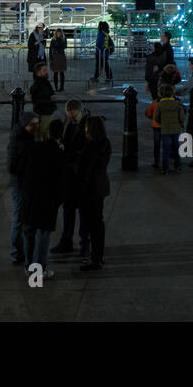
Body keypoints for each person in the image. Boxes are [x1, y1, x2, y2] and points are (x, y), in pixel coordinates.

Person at [21, 118, 66, 278]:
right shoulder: (59, 154)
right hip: (47, 200)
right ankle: (38, 271)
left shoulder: (34, 148)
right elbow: (62, 182)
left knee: (29, 232)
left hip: (30, 197)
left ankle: (29, 267)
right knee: (43, 235)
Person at [53, 101, 90, 256]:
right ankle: (66, 241)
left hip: (81, 176)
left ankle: (84, 245)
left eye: (71, 113)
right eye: (68, 113)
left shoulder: (87, 126)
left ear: (77, 111)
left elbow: (86, 152)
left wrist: (67, 154)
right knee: (68, 210)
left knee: (83, 212)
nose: (69, 116)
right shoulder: (70, 124)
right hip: (69, 175)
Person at [77, 115, 111, 271]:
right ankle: (97, 256)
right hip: (100, 186)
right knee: (97, 222)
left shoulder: (91, 146)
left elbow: (85, 168)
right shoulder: (104, 143)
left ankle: (96, 258)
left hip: (91, 189)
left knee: (94, 223)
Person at [7, 112, 41, 265]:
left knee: (23, 218)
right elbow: (11, 167)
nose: (36, 127)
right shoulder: (18, 142)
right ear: (25, 125)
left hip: (25, 184)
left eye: (37, 123)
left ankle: (20, 251)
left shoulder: (27, 138)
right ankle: (16, 252)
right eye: (33, 124)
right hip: (20, 184)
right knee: (20, 218)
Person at [153, 83, 187, 173]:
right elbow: (182, 118)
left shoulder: (159, 105)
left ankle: (165, 168)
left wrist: (162, 122)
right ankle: (178, 167)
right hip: (176, 130)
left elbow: (156, 117)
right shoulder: (177, 104)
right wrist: (180, 123)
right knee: (176, 148)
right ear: (172, 94)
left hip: (165, 130)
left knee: (166, 149)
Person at [48, 27, 68, 92]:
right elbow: (50, 49)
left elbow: (64, 46)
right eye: (57, 33)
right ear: (56, 33)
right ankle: (56, 87)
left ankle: (62, 87)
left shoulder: (63, 39)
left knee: (62, 72)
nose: (58, 34)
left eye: (60, 33)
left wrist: (60, 40)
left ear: (61, 33)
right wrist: (50, 58)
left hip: (61, 56)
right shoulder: (53, 40)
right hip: (55, 56)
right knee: (55, 73)